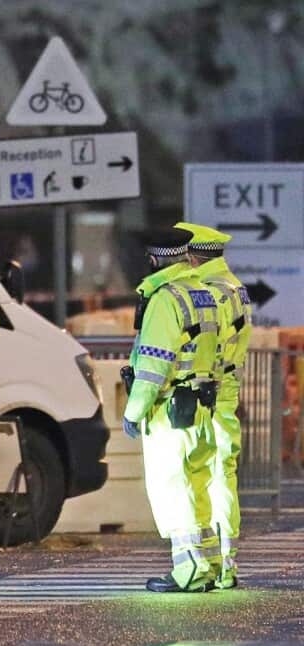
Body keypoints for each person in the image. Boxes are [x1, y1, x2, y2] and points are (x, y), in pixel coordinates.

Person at [120, 226, 221, 592]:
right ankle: (207, 565)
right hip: (200, 406)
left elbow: (153, 366)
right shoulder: (202, 293)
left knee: (172, 490)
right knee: (196, 488)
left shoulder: (165, 299)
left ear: (153, 259)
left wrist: (133, 411)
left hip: (170, 412)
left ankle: (187, 571)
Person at [182, 222, 251, 589]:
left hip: (210, 390)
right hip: (228, 390)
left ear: (192, 257)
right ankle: (227, 561)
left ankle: (213, 560)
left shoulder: (209, 291)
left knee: (205, 475)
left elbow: (209, 344)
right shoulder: (235, 286)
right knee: (224, 473)